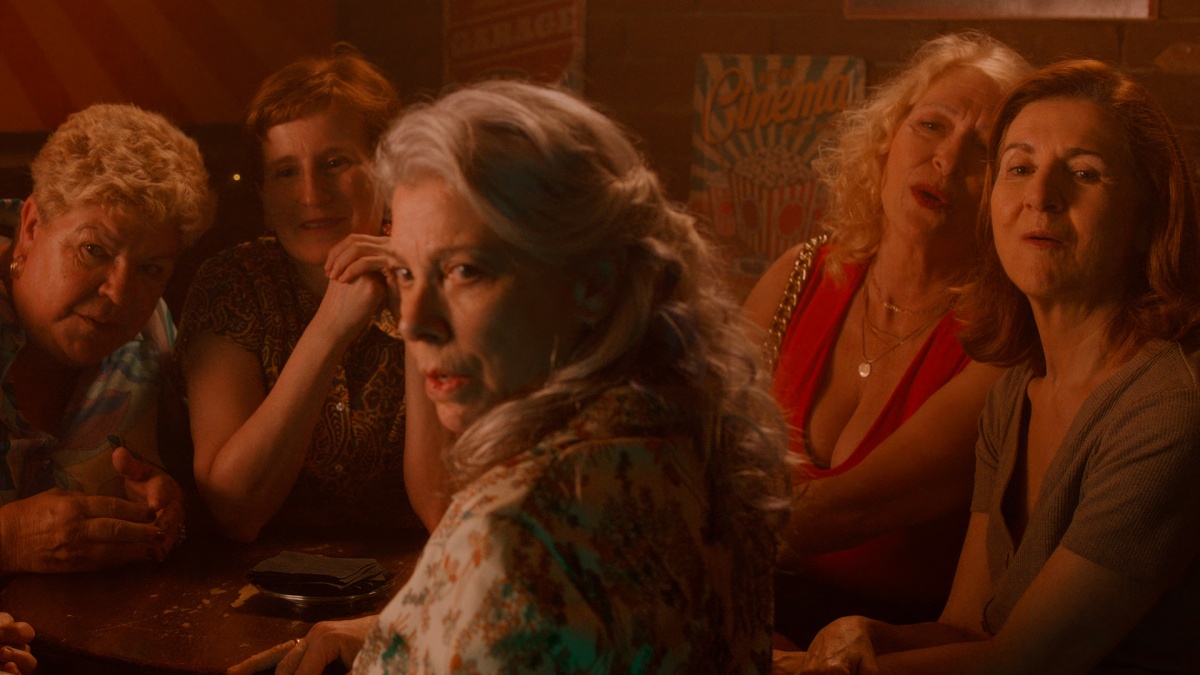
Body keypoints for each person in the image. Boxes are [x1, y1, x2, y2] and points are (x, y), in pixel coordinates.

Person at [230, 79, 791, 675]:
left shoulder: (517, 525)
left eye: (465, 271)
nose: (414, 322)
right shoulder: (694, 435)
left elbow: (526, 573)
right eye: (405, 274)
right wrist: (410, 631)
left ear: (594, 284)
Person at [788, 59, 1200, 674]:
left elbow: (1026, 662)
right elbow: (965, 629)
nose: (1040, 197)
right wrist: (870, 636)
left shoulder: (1170, 409)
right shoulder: (1015, 393)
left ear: (1147, 217)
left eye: (1083, 173)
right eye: (1019, 168)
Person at [741, 32, 1031, 644]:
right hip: (744, 599)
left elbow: (852, 509)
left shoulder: (1003, 339)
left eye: (983, 150)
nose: (947, 161)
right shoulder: (799, 273)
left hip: (881, 644)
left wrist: (653, 523)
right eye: (931, 125)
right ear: (886, 139)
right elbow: (700, 438)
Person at [179, 45, 447, 542]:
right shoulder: (233, 282)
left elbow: (442, 510)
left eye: (334, 162)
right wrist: (330, 328)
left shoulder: (447, 277)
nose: (310, 194)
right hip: (256, 576)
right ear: (263, 195)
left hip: (420, 571)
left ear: (388, 173)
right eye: (285, 171)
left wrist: (416, 309)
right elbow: (235, 510)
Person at [0, 103, 211, 577]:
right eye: (93, 249)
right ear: (31, 227)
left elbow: (186, 491)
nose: (119, 292)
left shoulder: (154, 331)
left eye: (150, 268)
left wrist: (165, 506)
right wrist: (9, 540)